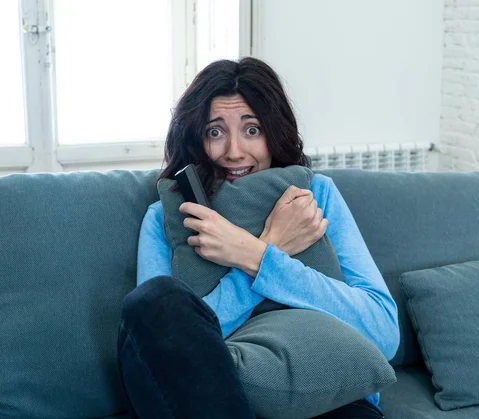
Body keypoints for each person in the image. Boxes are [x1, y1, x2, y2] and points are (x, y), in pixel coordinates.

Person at [117, 57, 399, 419]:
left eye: (252, 130)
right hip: (220, 396)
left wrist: (256, 255)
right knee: (153, 301)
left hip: (334, 402)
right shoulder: (164, 217)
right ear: (194, 139)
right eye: (214, 132)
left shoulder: (318, 195)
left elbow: (384, 333)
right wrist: (272, 246)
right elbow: (170, 342)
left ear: (274, 133)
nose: (234, 151)